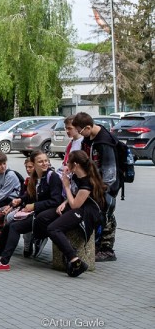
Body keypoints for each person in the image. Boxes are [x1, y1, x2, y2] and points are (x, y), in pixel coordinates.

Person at [0, 150, 63, 270]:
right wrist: (19, 200)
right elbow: (29, 195)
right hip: (37, 212)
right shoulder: (35, 177)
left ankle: (4, 262)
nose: (44, 164)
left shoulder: (52, 177)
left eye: (46, 161)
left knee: (14, 227)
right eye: (41, 161)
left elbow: (56, 201)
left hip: (46, 215)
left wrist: (34, 206)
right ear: (34, 163)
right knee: (8, 226)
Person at [47, 150, 106, 277]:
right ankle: (67, 249)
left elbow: (76, 205)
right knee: (46, 217)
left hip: (87, 212)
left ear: (76, 164)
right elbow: (74, 196)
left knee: (53, 229)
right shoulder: (76, 176)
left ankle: (75, 260)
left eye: (68, 162)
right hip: (78, 206)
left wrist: (66, 186)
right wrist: (65, 201)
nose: (66, 165)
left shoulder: (87, 182)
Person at [72, 112, 118, 262]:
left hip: (105, 186)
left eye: (80, 131)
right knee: (99, 214)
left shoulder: (104, 142)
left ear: (88, 127)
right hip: (94, 184)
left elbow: (110, 171)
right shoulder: (88, 138)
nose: (79, 134)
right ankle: (98, 245)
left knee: (107, 214)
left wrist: (103, 188)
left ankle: (107, 250)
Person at [0, 156, 35, 251]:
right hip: (22, 205)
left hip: (34, 208)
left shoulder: (41, 179)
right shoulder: (28, 180)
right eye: (27, 167)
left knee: (12, 217)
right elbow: (22, 196)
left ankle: (24, 244)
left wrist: (22, 206)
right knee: (0, 213)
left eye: (30, 167)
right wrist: (12, 205)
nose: (28, 170)